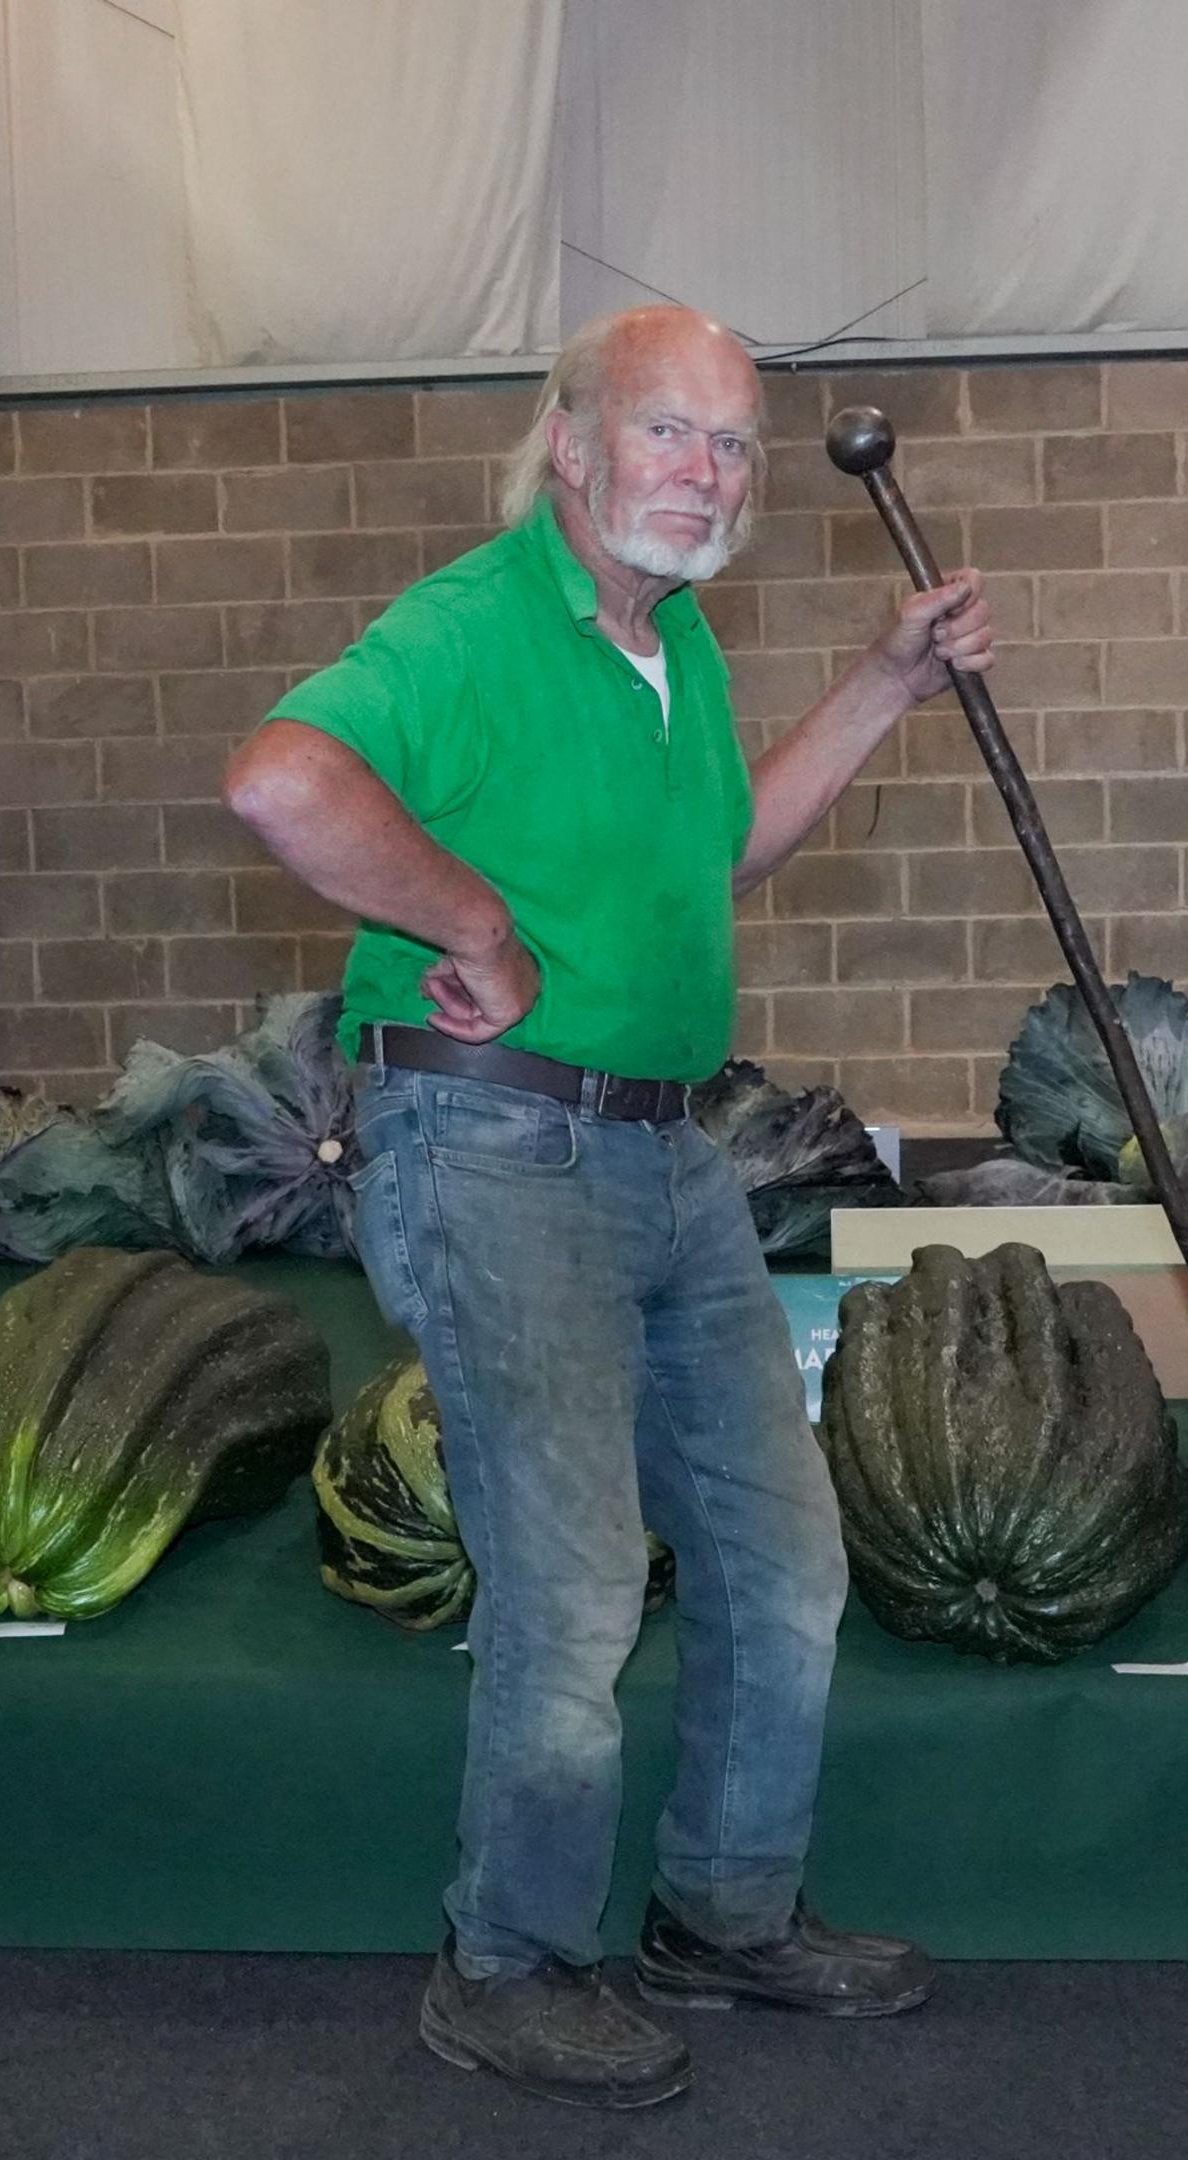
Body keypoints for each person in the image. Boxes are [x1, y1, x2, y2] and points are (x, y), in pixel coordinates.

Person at [222, 303, 997, 2110]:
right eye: (670, 434)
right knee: (571, 1590)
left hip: (662, 1151)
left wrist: (886, 685)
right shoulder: (473, 626)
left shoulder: (675, 643)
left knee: (781, 1550)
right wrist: (469, 927)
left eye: (731, 446)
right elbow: (280, 779)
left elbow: (722, 850)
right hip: (493, 1152)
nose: (706, 475)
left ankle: (725, 1911)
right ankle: (507, 1964)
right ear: (570, 443)